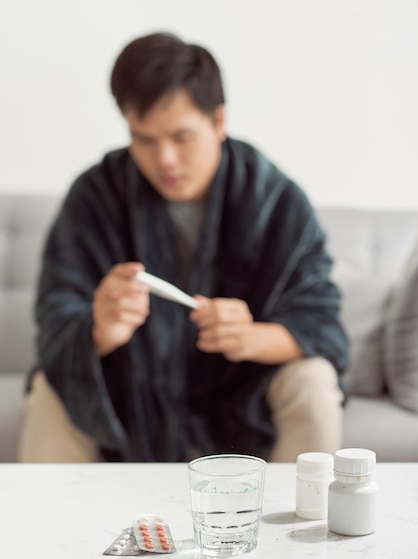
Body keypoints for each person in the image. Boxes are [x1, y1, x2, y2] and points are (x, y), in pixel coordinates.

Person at [18, 32, 348, 463]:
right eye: (144, 139)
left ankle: (303, 524)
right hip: (127, 394)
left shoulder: (274, 198)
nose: (165, 159)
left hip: (242, 393)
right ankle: (51, 530)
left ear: (218, 121)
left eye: (181, 136)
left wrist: (250, 338)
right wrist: (100, 330)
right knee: (51, 386)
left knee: (312, 377)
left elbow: (322, 323)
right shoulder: (96, 194)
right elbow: (56, 315)